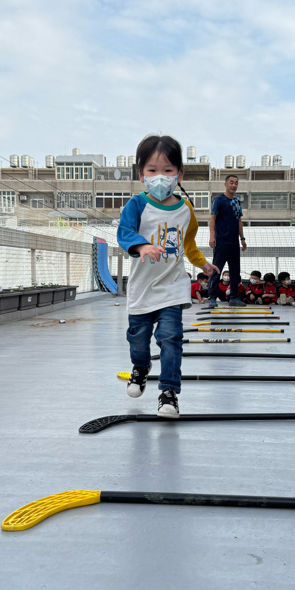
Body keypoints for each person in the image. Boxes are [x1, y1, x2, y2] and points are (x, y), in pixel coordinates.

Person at [117, 134, 218, 416]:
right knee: (138, 340)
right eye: (152, 170)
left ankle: (169, 392)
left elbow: (188, 244)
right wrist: (141, 245)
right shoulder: (137, 205)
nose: (159, 176)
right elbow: (124, 232)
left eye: (167, 170)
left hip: (173, 286)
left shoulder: (186, 210)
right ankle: (141, 367)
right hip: (142, 288)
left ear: (179, 174)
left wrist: (202, 264)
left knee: (171, 338)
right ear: (141, 174)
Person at [208, 174, 247, 306]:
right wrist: (212, 236)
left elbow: (239, 220)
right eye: (231, 182)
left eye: (236, 183)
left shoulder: (237, 202)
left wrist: (242, 238)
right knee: (217, 269)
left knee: (235, 271)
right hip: (221, 241)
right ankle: (212, 297)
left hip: (234, 242)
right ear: (225, 184)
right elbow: (212, 218)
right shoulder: (219, 200)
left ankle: (234, 297)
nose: (234, 185)